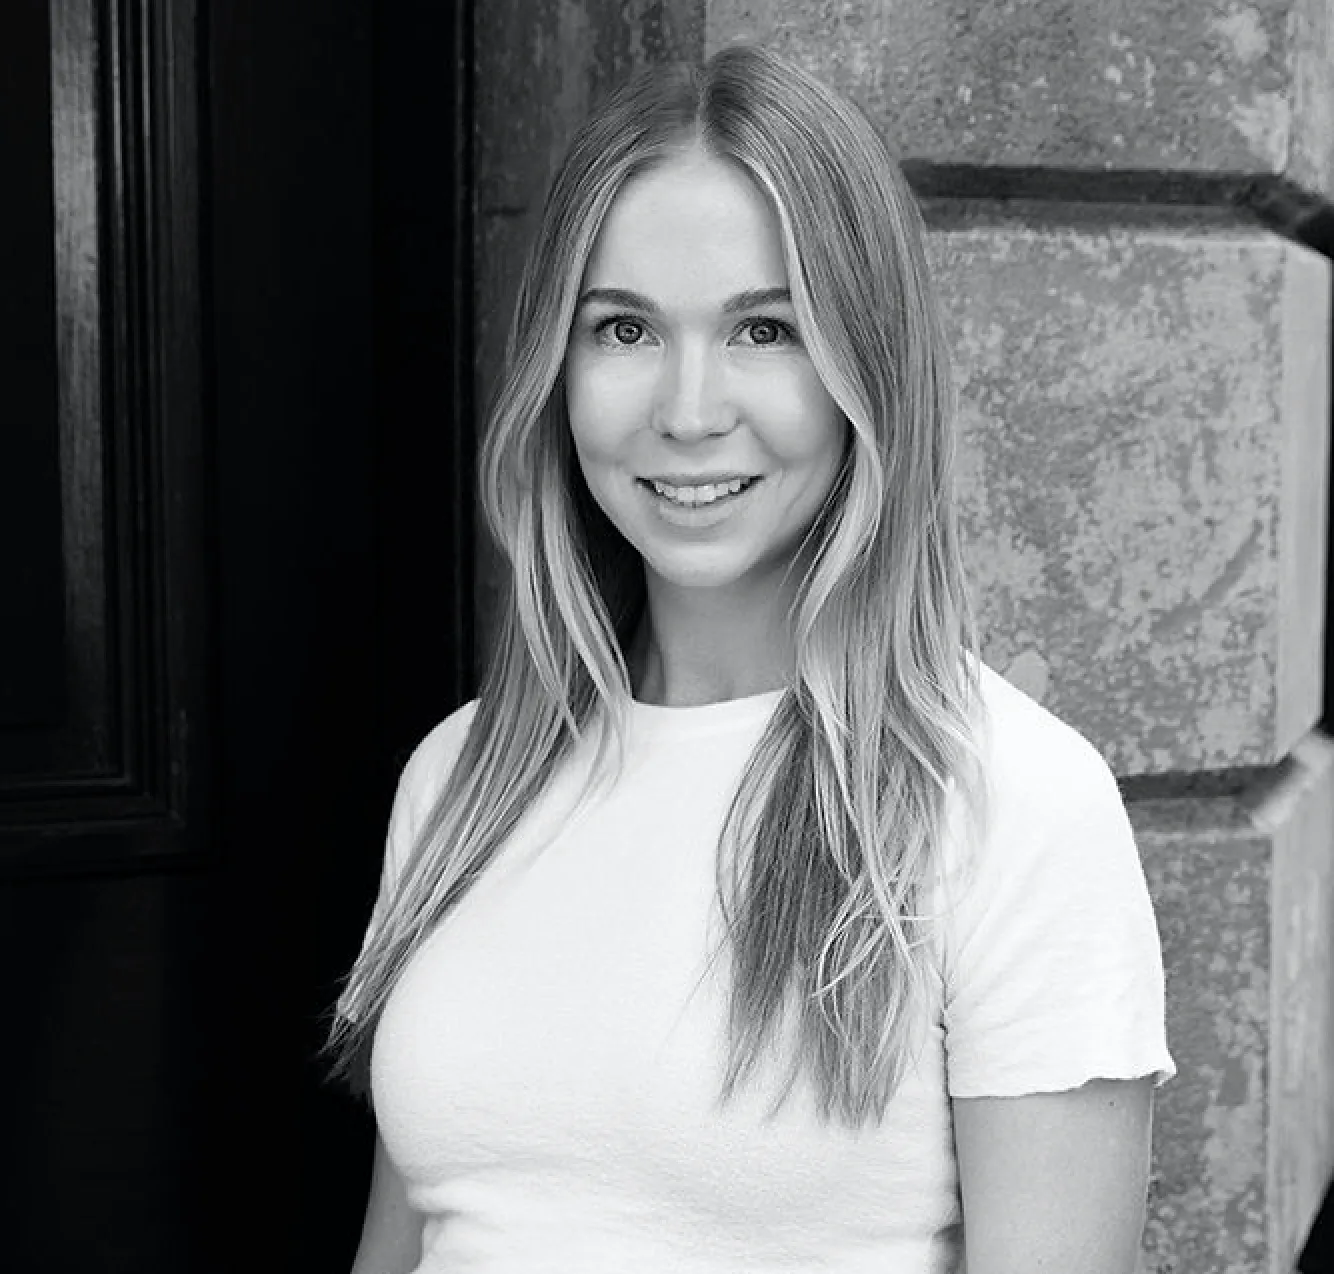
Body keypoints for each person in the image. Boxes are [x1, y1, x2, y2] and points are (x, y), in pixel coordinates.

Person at [324, 40, 1175, 1274]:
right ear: (554, 371)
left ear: (863, 367)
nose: (685, 407)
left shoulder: (1007, 801)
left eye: (764, 329)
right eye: (620, 327)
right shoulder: (459, 778)